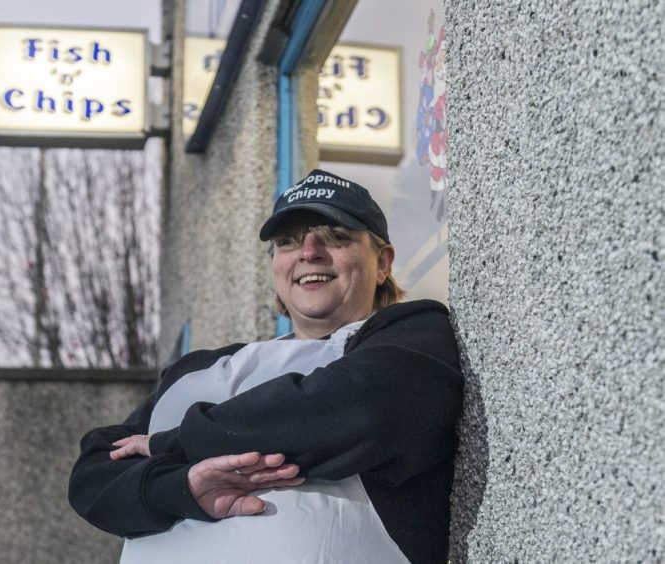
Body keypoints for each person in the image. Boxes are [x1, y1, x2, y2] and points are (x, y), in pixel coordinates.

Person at [69, 169, 464, 564]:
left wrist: (170, 444)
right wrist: (183, 486)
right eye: (288, 241)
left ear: (383, 262)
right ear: (275, 266)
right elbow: (93, 475)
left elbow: (352, 412)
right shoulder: (198, 368)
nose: (309, 252)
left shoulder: (413, 335)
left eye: (336, 237)